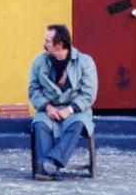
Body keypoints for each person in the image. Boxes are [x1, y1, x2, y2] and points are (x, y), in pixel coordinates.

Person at [28, 24, 98, 181]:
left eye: (47, 41)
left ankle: (48, 164)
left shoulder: (85, 62)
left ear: (59, 44)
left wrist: (70, 109)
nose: (43, 43)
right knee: (40, 124)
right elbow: (34, 90)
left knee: (78, 123)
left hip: (76, 111)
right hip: (48, 110)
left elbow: (88, 93)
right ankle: (48, 168)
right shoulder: (39, 61)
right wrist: (48, 107)